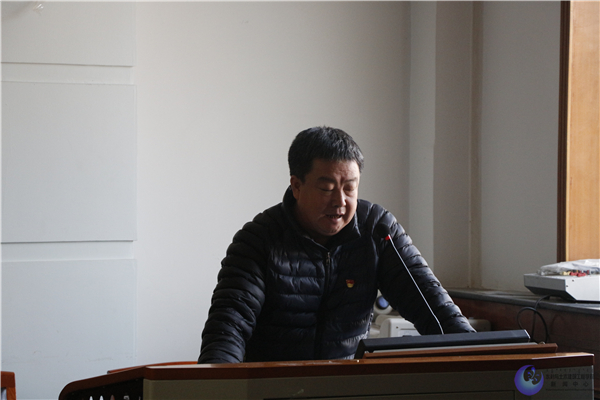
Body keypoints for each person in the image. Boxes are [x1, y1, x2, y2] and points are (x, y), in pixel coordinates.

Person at [198, 126, 475, 364]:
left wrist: (477, 355)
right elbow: (227, 331)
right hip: (272, 385)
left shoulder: (377, 230)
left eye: (350, 187)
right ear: (296, 186)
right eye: (327, 188)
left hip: (344, 384)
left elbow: (433, 306)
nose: (340, 202)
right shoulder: (259, 240)